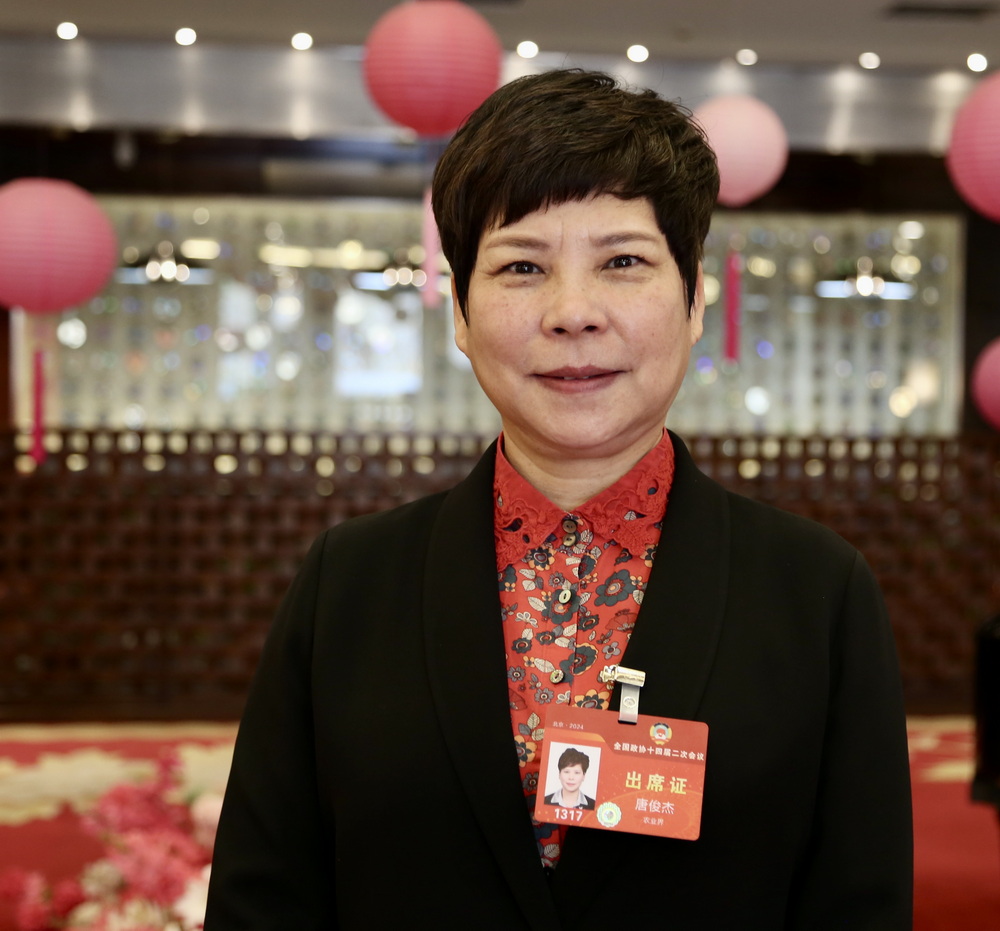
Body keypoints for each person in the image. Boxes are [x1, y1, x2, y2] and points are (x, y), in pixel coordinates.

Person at [205, 69, 912, 929]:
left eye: (623, 261)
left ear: (695, 298)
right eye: (521, 266)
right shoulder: (347, 583)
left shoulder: (819, 592)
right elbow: (263, 899)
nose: (573, 312)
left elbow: (859, 904)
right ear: (459, 312)